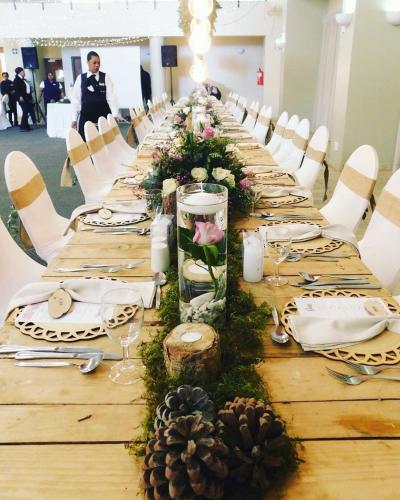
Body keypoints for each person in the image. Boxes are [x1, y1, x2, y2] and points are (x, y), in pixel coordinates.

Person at [71, 51, 118, 139]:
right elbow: (76, 100)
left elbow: (111, 98)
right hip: (86, 118)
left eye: (99, 63)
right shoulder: (80, 78)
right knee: (86, 142)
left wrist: (115, 115)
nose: (97, 65)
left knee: (106, 142)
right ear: (88, 62)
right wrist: (74, 118)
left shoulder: (105, 77)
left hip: (103, 118)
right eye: (94, 63)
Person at [13, 67, 36, 131]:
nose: (24, 72)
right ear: (20, 72)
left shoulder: (23, 79)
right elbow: (16, 89)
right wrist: (20, 96)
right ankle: (22, 126)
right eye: (23, 71)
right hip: (22, 98)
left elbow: (27, 88)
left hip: (27, 97)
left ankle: (26, 126)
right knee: (25, 111)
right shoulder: (16, 80)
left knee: (27, 111)